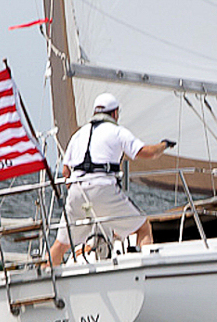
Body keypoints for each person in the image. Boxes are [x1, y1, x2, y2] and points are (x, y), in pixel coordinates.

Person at [48, 93, 173, 266]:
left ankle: (44, 284)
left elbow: (65, 172)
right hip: (103, 188)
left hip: (77, 192)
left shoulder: (78, 135)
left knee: (61, 244)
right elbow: (149, 153)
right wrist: (164, 145)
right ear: (114, 114)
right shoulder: (117, 131)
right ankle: (147, 269)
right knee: (143, 227)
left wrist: (81, 196)